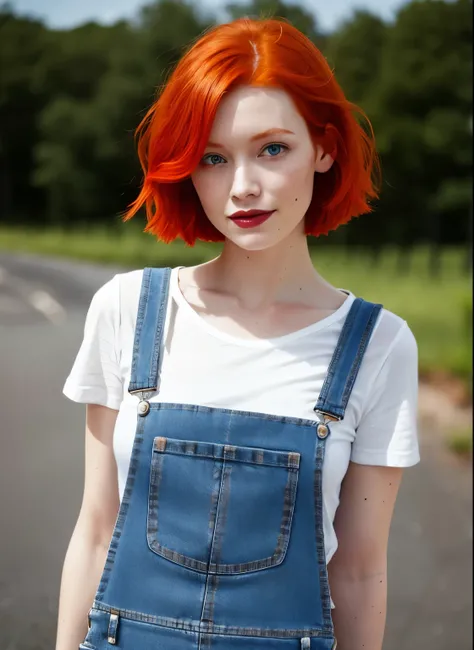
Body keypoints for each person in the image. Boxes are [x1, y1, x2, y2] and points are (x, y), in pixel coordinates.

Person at [55, 16, 420, 650]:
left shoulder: (379, 346)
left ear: (325, 148)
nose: (242, 186)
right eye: (212, 158)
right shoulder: (127, 310)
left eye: (272, 149)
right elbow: (94, 529)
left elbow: (360, 574)